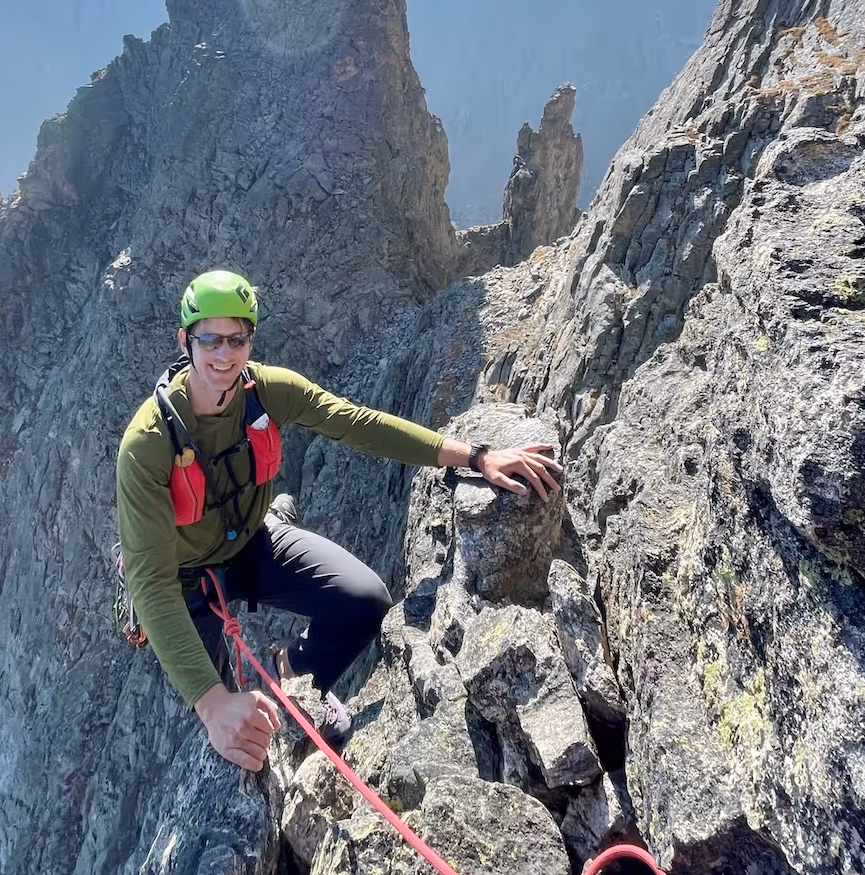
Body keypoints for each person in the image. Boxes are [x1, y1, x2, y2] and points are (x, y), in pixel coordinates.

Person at [115, 269, 562, 773]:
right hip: (184, 582)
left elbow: (356, 423)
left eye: (237, 338)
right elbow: (150, 583)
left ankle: (294, 678)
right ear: (185, 340)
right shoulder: (148, 444)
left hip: (250, 545)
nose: (224, 354)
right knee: (235, 740)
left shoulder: (265, 391)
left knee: (365, 601)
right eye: (210, 339)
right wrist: (211, 702)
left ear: (251, 339)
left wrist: (476, 458)